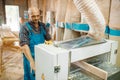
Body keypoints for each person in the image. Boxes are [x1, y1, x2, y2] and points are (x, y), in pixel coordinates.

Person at [19, 7, 52, 80]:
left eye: (37, 15)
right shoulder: (24, 27)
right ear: (29, 16)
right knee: (31, 77)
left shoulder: (42, 25)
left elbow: (49, 40)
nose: (36, 18)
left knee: (41, 76)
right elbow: (24, 46)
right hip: (30, 57)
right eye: (33, 16)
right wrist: (32, 62)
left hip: (41, 57)